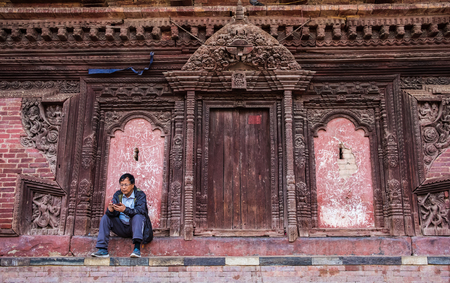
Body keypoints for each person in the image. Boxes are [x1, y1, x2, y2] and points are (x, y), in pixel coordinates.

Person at [91, 173, 153, 258]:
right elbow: (113, 212)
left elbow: (141, 211)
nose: (123, 187)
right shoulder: (118, 194)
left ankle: (137, 249)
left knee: (138, 216)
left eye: (126, 185)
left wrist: (125, 210)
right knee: (106, 217)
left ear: (132, 185)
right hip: (121, 227)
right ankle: (102, 249)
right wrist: (110, 210)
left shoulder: (140, 194)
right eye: (122, 185)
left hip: (135, 228)